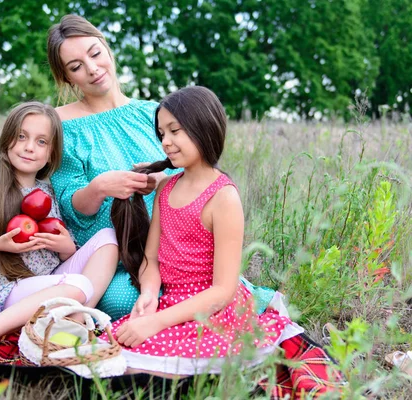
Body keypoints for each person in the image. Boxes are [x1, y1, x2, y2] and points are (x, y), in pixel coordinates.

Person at [46, 15, 276, 321]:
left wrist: (162, 179)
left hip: (178, 250)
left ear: (106, 47)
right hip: (117, 255)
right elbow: (69, 204)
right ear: (66, 78)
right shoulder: (62, 125)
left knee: (207, 288)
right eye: (76, 66)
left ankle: (188, 309)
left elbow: (196, 172)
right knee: (122, 302)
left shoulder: (153, 113)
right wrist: (100, 187)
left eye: (95, 53)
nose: (92, 68)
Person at [109, 86, 303, 375]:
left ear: (203, 127)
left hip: (214, 312)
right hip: (171, 302)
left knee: (139, 369)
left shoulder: (223, 197)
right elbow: (151, 258)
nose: (166, 142)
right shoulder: (166, 188)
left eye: (175, 131)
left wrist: (155, 323)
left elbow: (223, 290)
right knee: (111, 351)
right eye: (162, 133)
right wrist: (149, 293)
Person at [0, 102, 119, 344]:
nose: (30, 147)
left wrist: (66, 248)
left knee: (108, 237)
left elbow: (59, 257)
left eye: (41, 141)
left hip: (53, 283)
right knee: (78, 284)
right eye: (22, 137)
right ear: (7, 140)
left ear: (51, 153)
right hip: (7, 291)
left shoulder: (49, 193)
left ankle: (72, 324)